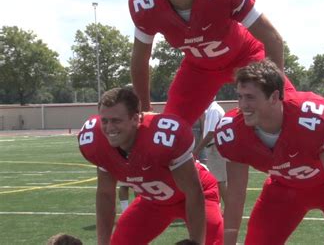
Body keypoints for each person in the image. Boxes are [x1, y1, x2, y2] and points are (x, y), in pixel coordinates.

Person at [214, 60, 324, 244]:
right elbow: (235, 194)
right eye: (240, 97)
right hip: (284, 187)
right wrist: (229, 240)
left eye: (250, 97)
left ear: (274, 97)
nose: (242, 105)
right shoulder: (233, 131)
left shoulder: (314, 117)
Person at [128, 0, 295, 126]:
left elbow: (272, 38)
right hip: (198, 68)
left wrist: (277, 92)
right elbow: (139, 60)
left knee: (291, 112)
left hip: (246, 57)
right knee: (168, 132)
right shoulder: (146, 2)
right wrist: (144, 109)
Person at [77, 87, 223, 245]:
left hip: (196, 194)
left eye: (116, 120)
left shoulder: (161, 137)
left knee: (210, 240)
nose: (109, 128)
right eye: (104, 121)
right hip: (152, 200)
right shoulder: (98, 142)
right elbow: (105, 193)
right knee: (121, 241)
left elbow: (193, 191)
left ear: (135, 119)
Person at [193, 99, 227, 207]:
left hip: (216, 148)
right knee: (217, 181)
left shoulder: (213, 110)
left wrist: (197, 150)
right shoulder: (211, 110)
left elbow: (211, 133)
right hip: (214, 148)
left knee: (220, 181)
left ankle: (229, 208)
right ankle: (219, 207)